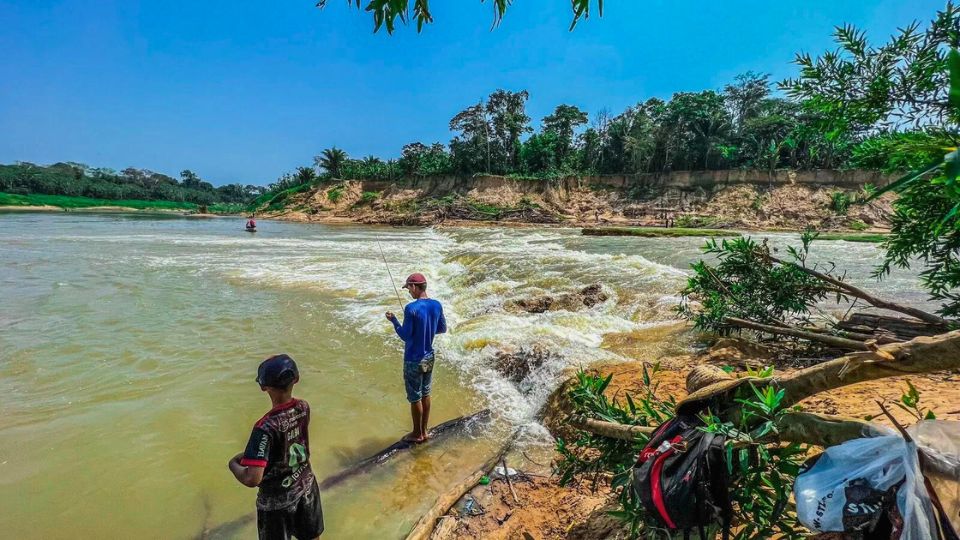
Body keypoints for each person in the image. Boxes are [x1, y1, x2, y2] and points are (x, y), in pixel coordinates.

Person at [228, 354, 324, 540]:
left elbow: (252, 478)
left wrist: (232, 464)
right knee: (312, 537)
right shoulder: (303, 407)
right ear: (296, 379)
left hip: (276, 502)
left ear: (264, 387)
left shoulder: (264, 427)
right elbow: (291, 440)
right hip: (306, 486)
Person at [385, 273, 447, 443]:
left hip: (413, 359)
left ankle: (417, 433)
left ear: (414, 286)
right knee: (426, 393)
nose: (409, 293)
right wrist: (425, 330)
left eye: (409, 289)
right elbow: (442, 329)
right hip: (429, 356)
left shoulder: (411, 308)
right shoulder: (437, 305)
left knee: (415, 397)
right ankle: (425, 431)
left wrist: (394, 321)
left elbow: (405, 335)